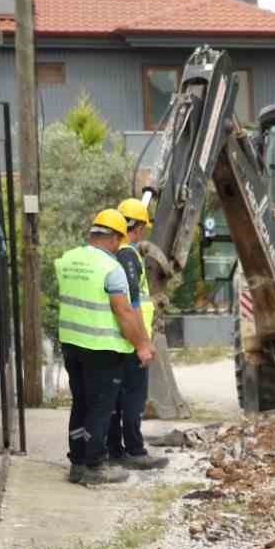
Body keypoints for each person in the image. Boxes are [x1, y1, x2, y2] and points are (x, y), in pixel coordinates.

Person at [55, 208, 154, 486]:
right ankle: (95, 466)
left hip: (71, 344)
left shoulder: (68, 260)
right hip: (102, 348)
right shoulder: (112, 269)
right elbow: (124, 312)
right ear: (115, 238)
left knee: (80, 403)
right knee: (101, 407)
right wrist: (142, 345)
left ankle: (77, 463)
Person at [106, 197, 169, 471]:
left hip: (119, 339)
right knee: (133, 397)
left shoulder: (109, 253)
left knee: (117, 398)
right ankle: (134, 450)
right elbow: (131, 304)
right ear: (140, 228)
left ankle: (116, 449)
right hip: (132, 339)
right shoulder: (128, 254)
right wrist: (143, 342)